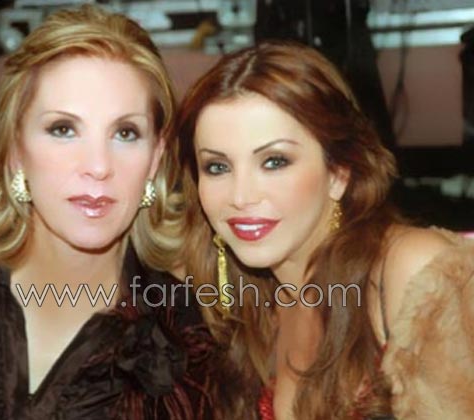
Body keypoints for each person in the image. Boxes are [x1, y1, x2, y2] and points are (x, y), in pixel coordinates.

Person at [0, 5, 251, 419]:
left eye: (125, 133)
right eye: (63, 129)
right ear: (15, 149)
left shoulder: (187, 342)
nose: (98, 166)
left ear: (155, 158)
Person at [176, 41, 474, 419]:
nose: (240, 196)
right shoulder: (248, 306)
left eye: (274, 161)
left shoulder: (413, 271)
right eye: (217, 167)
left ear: (338, 173)